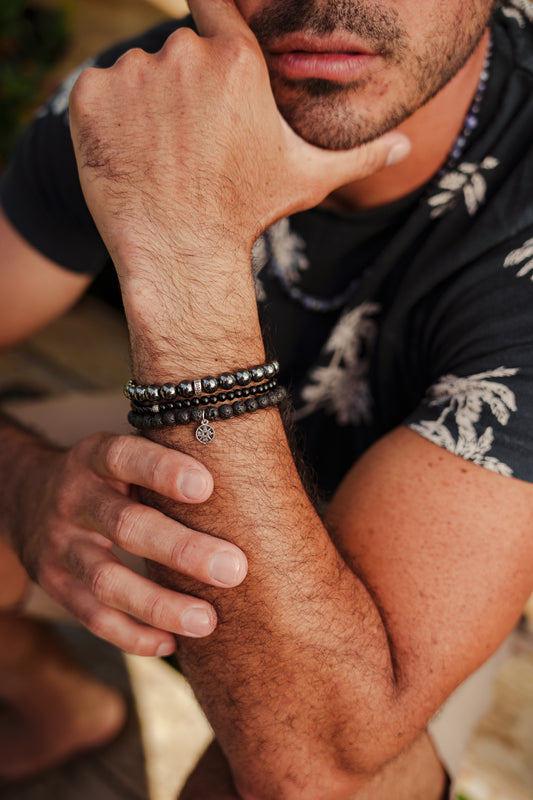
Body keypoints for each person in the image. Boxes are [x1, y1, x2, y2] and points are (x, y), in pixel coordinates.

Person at [1, 0, 533, 796]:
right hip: (178, 462)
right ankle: (56, 702)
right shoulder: (148, 100)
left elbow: (307, 766)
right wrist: (21, 481)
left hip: (428, 545)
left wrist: (183, 257)